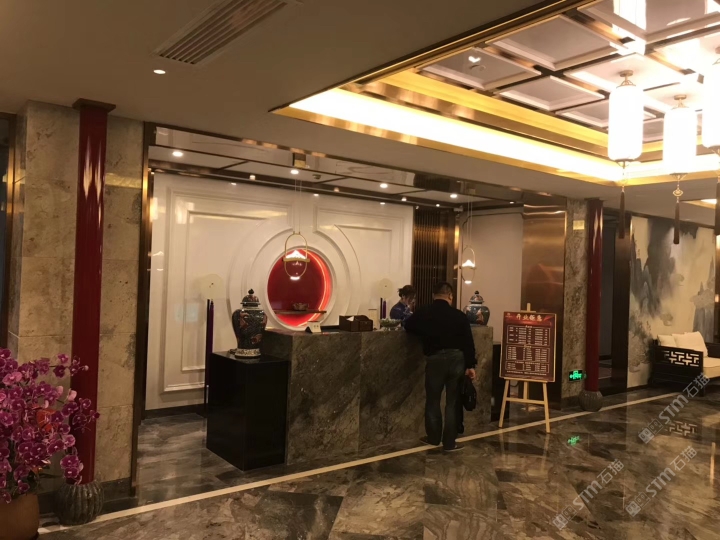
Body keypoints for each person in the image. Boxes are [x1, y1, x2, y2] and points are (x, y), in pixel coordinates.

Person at [404, 282, 476, 451]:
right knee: (452, 402)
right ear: (450, 296)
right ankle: (450, 443)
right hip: (457, 359)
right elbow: (468, 342)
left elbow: (408, 326)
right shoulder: (459, 315)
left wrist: (425, 334)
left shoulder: (423, 312)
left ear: (433, 295)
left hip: (435, 359)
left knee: (433, 400)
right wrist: (470, 365)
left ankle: (433, 438)